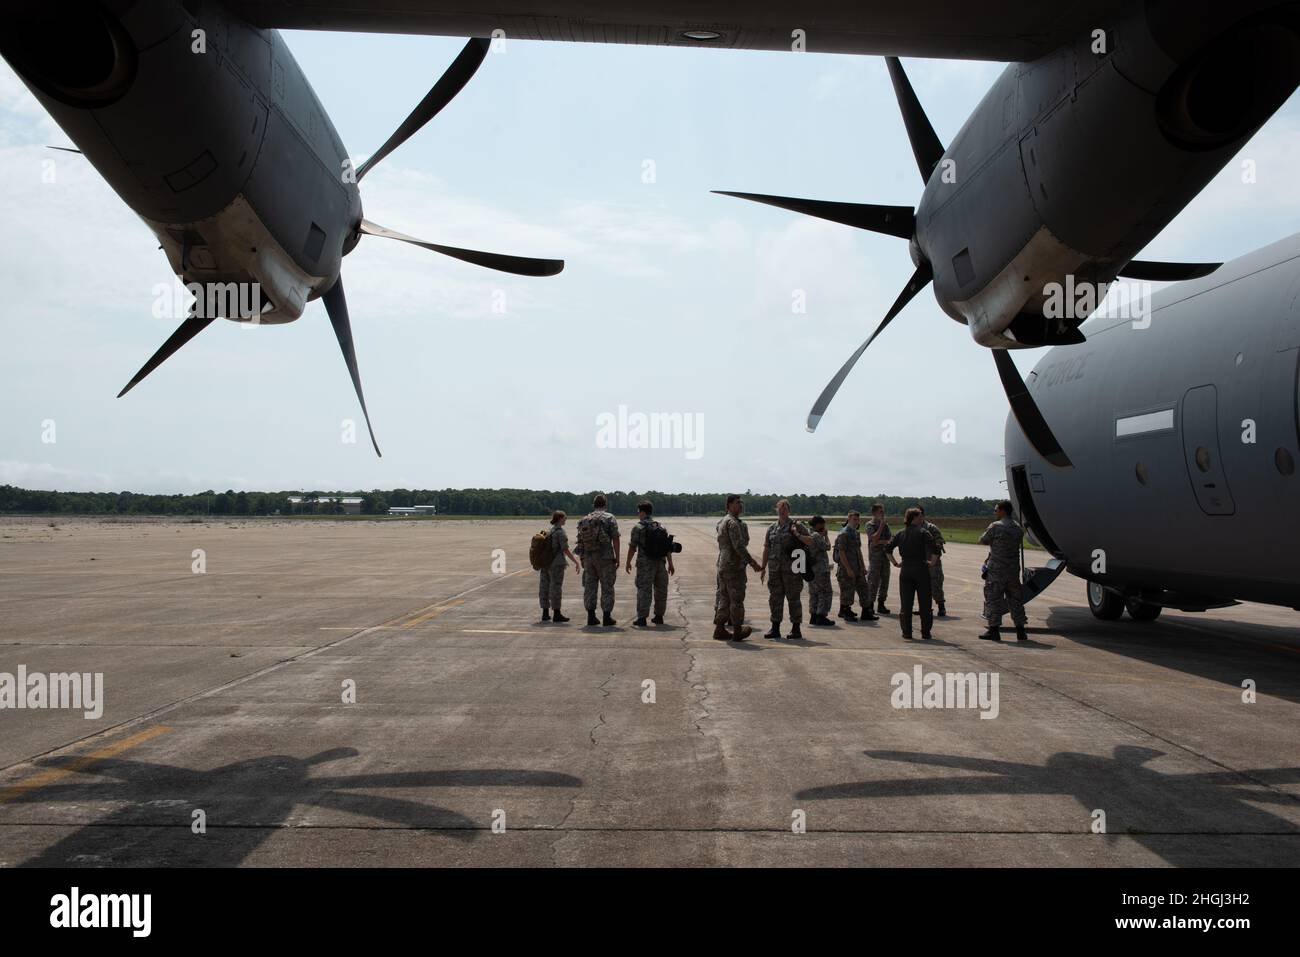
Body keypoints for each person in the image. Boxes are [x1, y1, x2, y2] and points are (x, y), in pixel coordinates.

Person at [759, 499, 814, 640]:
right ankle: (775, 628)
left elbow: (810, 541)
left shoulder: (796, 525)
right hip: (775, 570)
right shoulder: (772, 528)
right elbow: (767, 547)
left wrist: (797, 535)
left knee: (793, 599)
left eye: (785, 509)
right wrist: (763, 567)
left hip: (792, 571)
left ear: (789, 511)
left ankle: (796, 629)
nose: (782, 512)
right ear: (776, 510)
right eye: (780, 509)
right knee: (775, 598)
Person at [714, 494, 762, 641]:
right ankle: (736, 631)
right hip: (733, 567)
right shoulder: (733, 523)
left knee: (724, 598)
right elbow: (739, 547)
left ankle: (720, 629)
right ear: (729, 505)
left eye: (741, 502)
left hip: (723, 564)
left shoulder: (722, 521)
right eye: (737, 503)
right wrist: (752, 562)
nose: (740, 505)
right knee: (736, 599)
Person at [979, 500, 1028, 642]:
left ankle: (994, 630)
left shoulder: (996, 526)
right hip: (1012, 570)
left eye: (996, 510)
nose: (995, 512)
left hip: (997, 571)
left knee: (994, 600)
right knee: (1015, 601)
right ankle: (1021, 631)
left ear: (1002, 511)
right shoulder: (1017, 528)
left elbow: (983, 540)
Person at [888, 507, 939, 640]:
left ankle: (907, 632)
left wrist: (895, 563)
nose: (922, 518)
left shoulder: (900, 533)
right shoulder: (924, 532)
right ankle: (925, 632)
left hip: (905, 570)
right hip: (921, 569)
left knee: (906, 603)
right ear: (915, 517)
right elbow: (936, 548)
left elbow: (887, 549)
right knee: (925, 603)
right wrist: (932, 562)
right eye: (920, 516)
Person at [627, 500, 674, 627]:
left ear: (642, 512)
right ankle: (659, 616)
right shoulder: (661, 527)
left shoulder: (638, 527)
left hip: (645, 563)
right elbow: (667, 547)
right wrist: (670, 563)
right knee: (661, 590)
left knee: (644, 589)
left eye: (638, 512)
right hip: (660, 563)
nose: (638, 514)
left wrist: (628, 562)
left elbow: (632, 547)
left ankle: (642, 618)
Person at [575, 493, 620, 627]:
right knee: (607, 586)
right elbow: (615, 538)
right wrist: (617, 557)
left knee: (590, 586)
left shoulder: (585, 519)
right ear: (605, 504)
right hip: (605, 557)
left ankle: (591, 616)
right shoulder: (610, 518)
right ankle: (607, 617)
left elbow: (580, 541)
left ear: (593, 505)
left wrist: (582, 558)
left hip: (589, 558)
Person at [539, 510, 581, 622]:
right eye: (564, 518)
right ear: (559, 518)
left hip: (545, 563)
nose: (566, 520)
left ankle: (545, 613)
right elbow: (565, 549)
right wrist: (576, 562)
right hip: (556, 564)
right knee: (556, 587)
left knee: (545, 588)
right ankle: (557, 614)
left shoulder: (547, 531)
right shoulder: (560, 532)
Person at [834, 511, 876, 621]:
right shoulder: (844, 533)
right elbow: (841, 552)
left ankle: (866, 611)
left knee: (863, 588)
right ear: (849, 519)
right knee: (847, 591)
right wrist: (848, 569)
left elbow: (858, 551)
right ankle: (845, 611)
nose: (856, 522)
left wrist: (862, 567)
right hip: (846, 568)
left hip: (857, 567)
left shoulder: (855, 533)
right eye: (854, 519)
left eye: (858, 520)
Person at [916, 506, 948, 616]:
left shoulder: (931, 527)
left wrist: (932, 545)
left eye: (919, 514)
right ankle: (924, 608)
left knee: (936, 584)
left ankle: (941, 607)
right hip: (919, 562)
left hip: (932, 562)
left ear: (923, 515)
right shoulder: (913, 528)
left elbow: (940, 541)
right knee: (921, 586)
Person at [864, 504, 893, 615]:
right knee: (873, 581)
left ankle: (881, 604)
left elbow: (889, 539)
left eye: (883, 511)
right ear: (874, 513)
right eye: (880, 512)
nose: (883, 514)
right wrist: (881, 526)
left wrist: (881, 541)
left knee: (885, 580)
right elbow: (874, 538)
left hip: (885, 557)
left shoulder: (886, 526)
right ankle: (870, 604)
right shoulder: (869, 525)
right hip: (875, 558)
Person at [807, 515, 835, 626]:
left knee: (814, 593)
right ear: (818, 524)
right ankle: (821, 616)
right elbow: (827, 547)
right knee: (825, 592)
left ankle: (813, 615)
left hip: (811, 569)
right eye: (822, 524)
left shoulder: (808, 534)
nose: (824, 526)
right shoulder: (816, 535)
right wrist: (826, 536)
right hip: (820, 569)